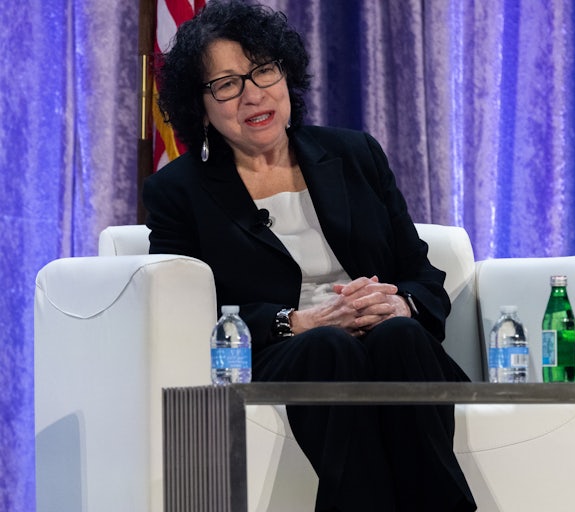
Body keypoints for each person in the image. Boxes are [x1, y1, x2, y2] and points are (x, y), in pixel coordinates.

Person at [143, 1, 476, 511]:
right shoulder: (178, 192)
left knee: (402, 337)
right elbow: (188, 313)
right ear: (200, 104)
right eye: (227, 84)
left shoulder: (355, 153)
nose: (254, 94)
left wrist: (400, 304)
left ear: (285, 74)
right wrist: (294, 321)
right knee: (328, 348)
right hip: (289, 353)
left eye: (264, 71)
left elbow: (421, 273)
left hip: (389, 344)